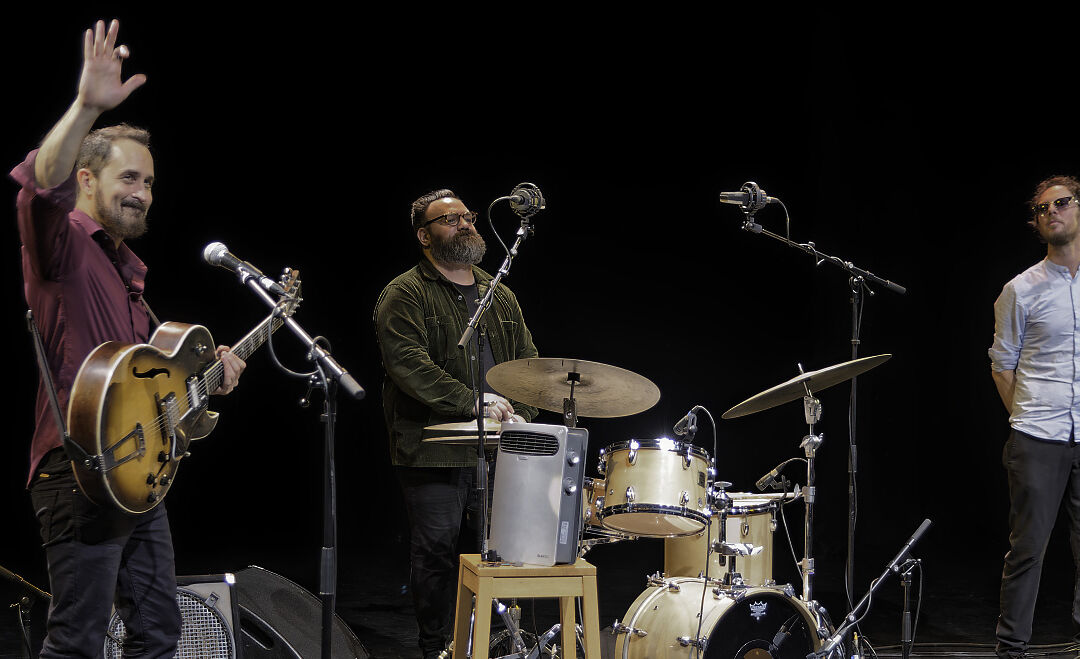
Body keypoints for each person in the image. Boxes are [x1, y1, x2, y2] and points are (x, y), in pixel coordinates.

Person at [11, 20, 245, 656]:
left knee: (160, 633)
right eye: (128, 180)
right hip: (78, 471)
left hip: (140, 476)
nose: (143, 194)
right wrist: (87, 106)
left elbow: (160, 397)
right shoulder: (59, 247)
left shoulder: (130, 279)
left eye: (149, 183)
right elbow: (40, 183)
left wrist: (210, 375)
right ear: (87, 180)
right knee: (79, 639)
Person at [374, 189, 539, 658]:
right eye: (449, 219)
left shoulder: (498, 293)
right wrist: (474, 402)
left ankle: (501, 644)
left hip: (499, 449)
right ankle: (438, 647)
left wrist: (523, 415)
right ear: (425, 236)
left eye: (467, 216)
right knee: (437, 556)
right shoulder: (404, 293)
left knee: (506, 552)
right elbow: (409, 366)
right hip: (433, 448)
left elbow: (528, 362)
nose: (465, 223)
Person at [989, 175, 1080, 657]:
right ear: (1037, 224)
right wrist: (1025, 417)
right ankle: (1012, 647)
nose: (1053, 212)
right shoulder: (1020, 289)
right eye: (1043, 209)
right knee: (1028, 550)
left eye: (1062, 203)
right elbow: (1002, 363)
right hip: (1036, 435)